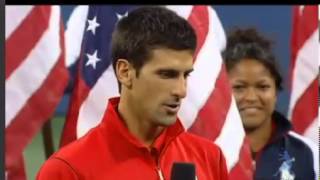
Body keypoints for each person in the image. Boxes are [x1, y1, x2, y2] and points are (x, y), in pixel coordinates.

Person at [36, 6, 228, 180]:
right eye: (166, 75)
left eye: (185, 75)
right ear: (125, 72)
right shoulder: (67, 170)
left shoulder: (210, 158)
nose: (181, 90)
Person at [223, 27, 318, 180]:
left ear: (276, 92)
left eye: (262, 87)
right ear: (222, 90)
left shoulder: (308, 155)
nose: (251, 97)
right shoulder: (203, 151)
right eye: (239, 87)